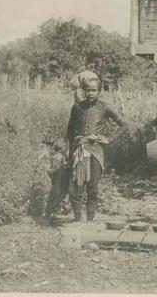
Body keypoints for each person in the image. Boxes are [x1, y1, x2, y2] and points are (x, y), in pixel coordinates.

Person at [66, 77, 128, 222]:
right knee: (76, 187)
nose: (90, 93)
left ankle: (90, 221)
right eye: (88, 90)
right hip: (79, 150)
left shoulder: (105, 107)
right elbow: (69, 130)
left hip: (95, 151)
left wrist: (109, 139)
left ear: (99, 91)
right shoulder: (77, 107)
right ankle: (77, 220)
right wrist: (71, 148)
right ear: (84, 91)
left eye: (94, 90)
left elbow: (124, 125)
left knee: (92, 187)